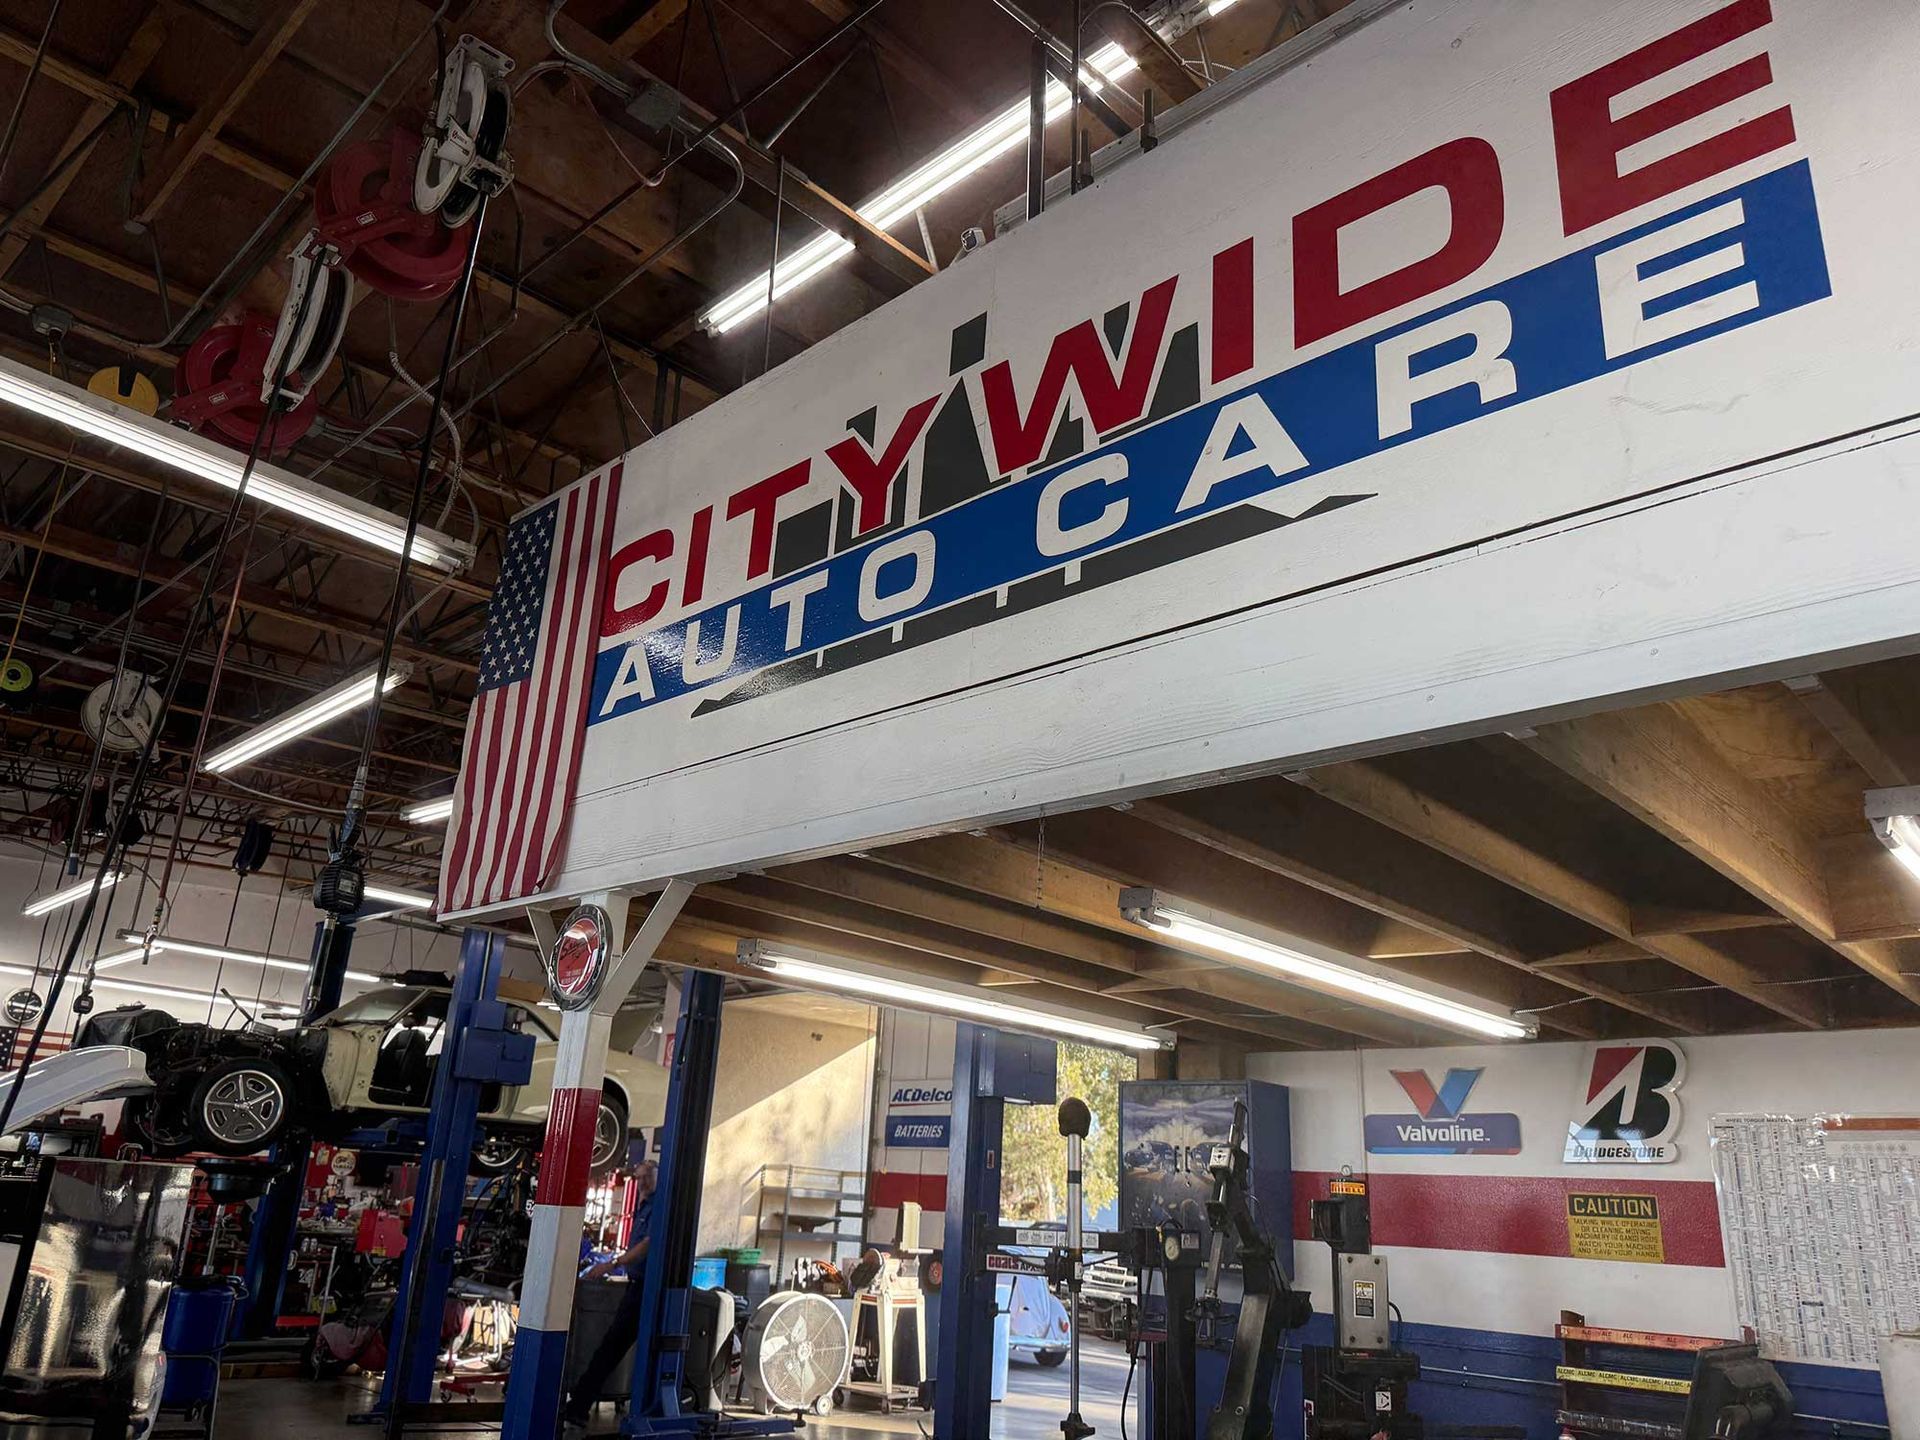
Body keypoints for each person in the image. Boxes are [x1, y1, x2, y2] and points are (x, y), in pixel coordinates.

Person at [561, 1159, 658, 1436]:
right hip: (636, 1285)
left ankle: (579, 1407)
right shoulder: (642, 1204)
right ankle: (579, 1406)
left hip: (649, 1289)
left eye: (648, 1177)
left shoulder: (658, 1206)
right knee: (613, 1347)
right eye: (639, 1177)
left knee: (613, 1347)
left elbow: (648, 1244)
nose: (642, 1182)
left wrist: (612, 1264)